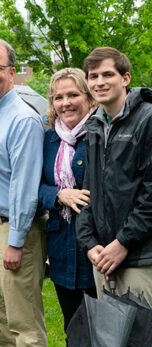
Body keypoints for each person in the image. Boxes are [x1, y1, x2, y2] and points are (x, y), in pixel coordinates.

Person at [0, 39, 47, 347]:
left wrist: (15, 241)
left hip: (14, 233)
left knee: (25, 327)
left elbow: (24, 188)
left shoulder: (22, 120)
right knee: (3, 325)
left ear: (13, 73)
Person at [77, 47, 152, 304]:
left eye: (107, 74)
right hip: (104, 257)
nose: (99, 82)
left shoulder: (147, 119)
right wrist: (89, 243)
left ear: (125, 78)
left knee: (141, 342)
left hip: (140, 258)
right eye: (93, 76)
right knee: (112, 342)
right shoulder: (95, 125)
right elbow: (90, 189)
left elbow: (150, 194)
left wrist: (123, 242)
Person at [38, 68, 97, 347]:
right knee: (73, 328)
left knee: (103, 331)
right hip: (61, 247)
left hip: (98, 248)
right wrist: (58, 194)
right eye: (58, 97)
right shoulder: (48, 139)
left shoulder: (101, 133)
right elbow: (33, 186)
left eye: (73, 95)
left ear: (88, 97)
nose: (66, 103)